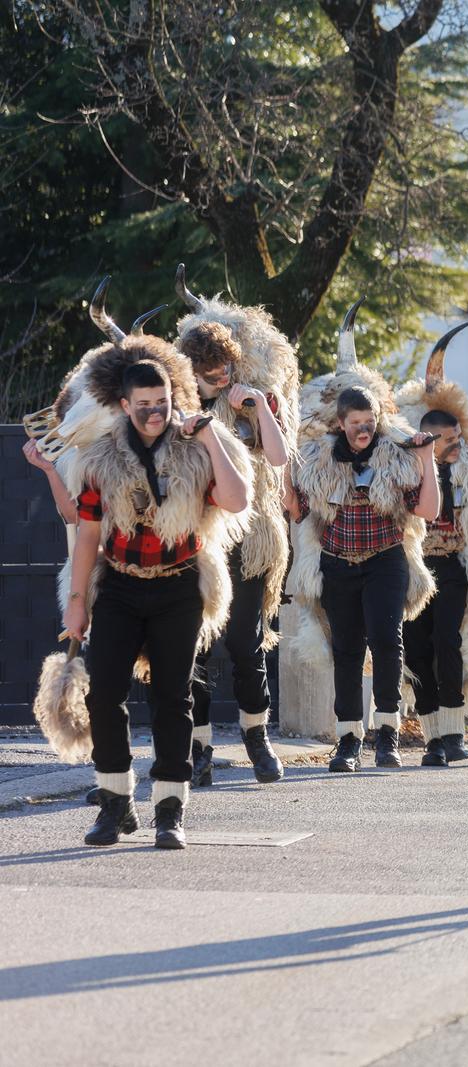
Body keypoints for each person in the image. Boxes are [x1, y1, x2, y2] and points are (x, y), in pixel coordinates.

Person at [66, 349, 251, 849]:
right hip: (119, 584)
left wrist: (210, 437)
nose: (154, 412)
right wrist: (77, 601)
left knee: (173, 696)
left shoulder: (195, 449)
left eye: (162, 401)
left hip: (178, 585)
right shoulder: (100, 456)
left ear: (174, 398)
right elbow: (88, 535)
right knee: (103, 693)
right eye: (144, 403)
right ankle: (115, 802)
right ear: (125, 405)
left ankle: (170, 810)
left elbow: (237, 501)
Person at [288, 383, 439, 771]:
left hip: (385, 561)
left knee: (387, 641)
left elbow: (428, 511)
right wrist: (284, 464)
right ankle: (349, 741)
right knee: (347, 651)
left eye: (369, 421)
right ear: (341, 424)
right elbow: (296, 510)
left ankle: (387, 735)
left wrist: (427, 458)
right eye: (356, 422)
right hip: (338, 564)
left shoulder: (395, 455)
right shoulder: (319, 458)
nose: (364, 429)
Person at [176, 318, 293, 787]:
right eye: (211, 369)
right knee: (196, 645)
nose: (222, 376)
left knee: (246, 641)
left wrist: (261, 407)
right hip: (197, 539)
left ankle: (256, 737)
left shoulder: (250, 399)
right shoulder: (177, 409)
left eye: (226, 366)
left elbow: (280, 458)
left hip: (249, 536)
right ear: (192, 370)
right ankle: (198, 748)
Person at [395, 328, 468, 766]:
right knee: (417, 649)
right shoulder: (404, 468)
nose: (458, 446)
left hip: (452, 568)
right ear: (429, 438)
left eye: (459, 438)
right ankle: (432, 739)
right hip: (412, 570)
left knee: (448, 643)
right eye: (449, 440)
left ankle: (454, 734)